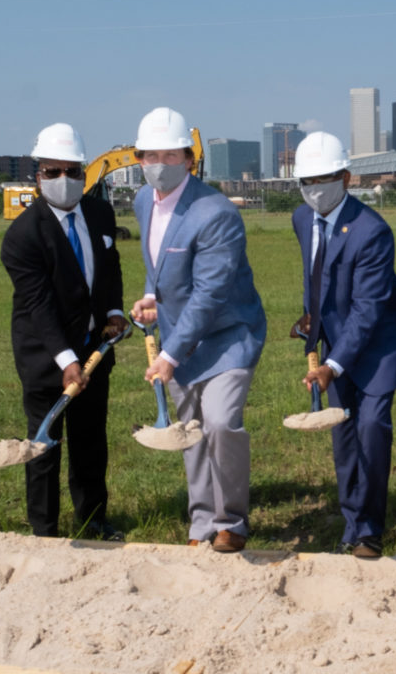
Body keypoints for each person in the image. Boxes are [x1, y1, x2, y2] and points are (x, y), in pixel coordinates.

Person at [130, 107, 266, 553]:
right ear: (138, 157)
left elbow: (210, 294)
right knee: (190, 431)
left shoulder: (216, 213)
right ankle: (202, 521)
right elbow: (160, 264)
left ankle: (232, 521)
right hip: (178, 335)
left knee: (222, 423)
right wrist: (152, 297)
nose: (160, 164)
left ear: (189, 159)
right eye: (151, 155)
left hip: (229, 336)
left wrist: (169, 356)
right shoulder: (140, 202)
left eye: (171, 155)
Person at [0, 122, 128, 540]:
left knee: (91, 442)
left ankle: (93, 522)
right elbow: (38, 306)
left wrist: (112, 311)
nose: (64, 180)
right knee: (44, 445)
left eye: (73, 171)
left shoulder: (100, 213)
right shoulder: (22, 236)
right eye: (53, 172)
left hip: (94, 349)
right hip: (45, 355)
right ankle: (45, 531)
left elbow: (109, 270)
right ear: (38, 175)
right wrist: (67, 361)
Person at [291, 131, 396, 559]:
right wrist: (312, 317)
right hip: (335, 339)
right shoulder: (302, 218)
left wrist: (332, 365)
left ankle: (370, 531)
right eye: (306, 181)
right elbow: (315, 274)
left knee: (371, 430)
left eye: (323, 178)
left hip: (377, 344)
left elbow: (369, 309)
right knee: (343, 437)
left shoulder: (372, 231)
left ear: (346, 177)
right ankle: (351, 523)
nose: (314, 189)